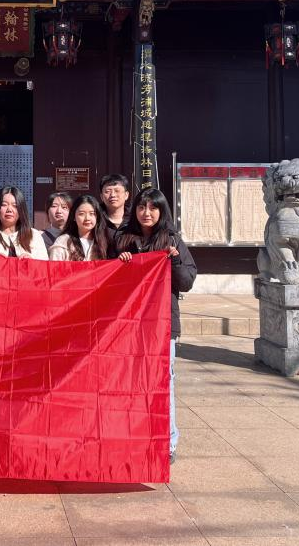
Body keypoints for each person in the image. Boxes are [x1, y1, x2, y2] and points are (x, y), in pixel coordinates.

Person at [115, 187, 197, 464]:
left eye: (152, 207)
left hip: (163, 324)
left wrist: (174, 260)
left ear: (162, 211)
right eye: (141, 207)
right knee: (131, 382)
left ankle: (168, 442)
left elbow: (186, 282)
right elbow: (111, 280)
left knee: (163, 382)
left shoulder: (172, 240)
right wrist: (120, 263)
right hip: (129, 324)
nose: (146, 213)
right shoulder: (124, 239)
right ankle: (134, 436)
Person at [0, 186, 48, 259]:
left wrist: (31, 263)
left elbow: (44, 267)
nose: (9, 209)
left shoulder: (34, 235)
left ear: (22, 210)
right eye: (4, 205)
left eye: (15, 205)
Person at [49, 194, 113, 262]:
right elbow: (54, 267)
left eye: (92, 214)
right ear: (74, 217)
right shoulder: (63, 242)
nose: (87, 218)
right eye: (81, 214)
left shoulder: (105, 241)